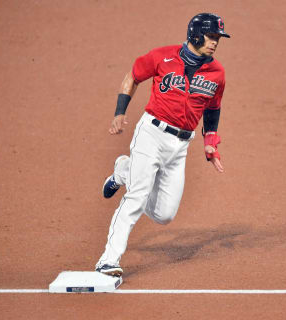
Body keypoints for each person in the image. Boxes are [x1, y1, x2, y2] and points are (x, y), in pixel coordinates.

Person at [95, 13, 230, 277]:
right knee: (136, 197)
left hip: (181, 146)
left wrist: (210, 143)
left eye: (217, 38)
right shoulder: (162, 57)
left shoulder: (217, 73)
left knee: (165, 214)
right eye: (211, 36)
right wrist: (120, 112)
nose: (215, 42)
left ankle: (124, 170)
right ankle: (108, 261)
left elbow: (213, 109)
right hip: (151, 135)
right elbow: (133, 76)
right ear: (195, 34)